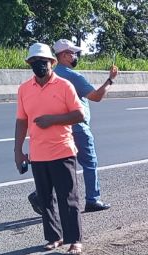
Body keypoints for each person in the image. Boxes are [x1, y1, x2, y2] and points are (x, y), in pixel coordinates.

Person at [27, 39, 117, 214]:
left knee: (63, 165)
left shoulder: (50, 74)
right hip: (78, 126)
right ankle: (93, 199)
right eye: (73, 53)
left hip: (61, 127)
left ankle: (41, 194)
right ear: (64, 55)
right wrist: (110, 80)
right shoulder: (72, 76)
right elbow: (96, 96)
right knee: (90, 163)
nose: (75, 56)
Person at [14, 43, 85, 255]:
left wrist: (52, 120)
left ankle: (75, 241)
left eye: (43, 62)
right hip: (38, 153)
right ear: (30, 64)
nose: (39, 65)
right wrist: (18, 151)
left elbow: (79, 115)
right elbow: (21, 121)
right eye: (34, 62)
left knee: (68, 198)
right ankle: (55, 237)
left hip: (62, 151)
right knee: (45, 199)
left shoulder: (64, 86)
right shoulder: (24, 89)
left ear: (52, 63)